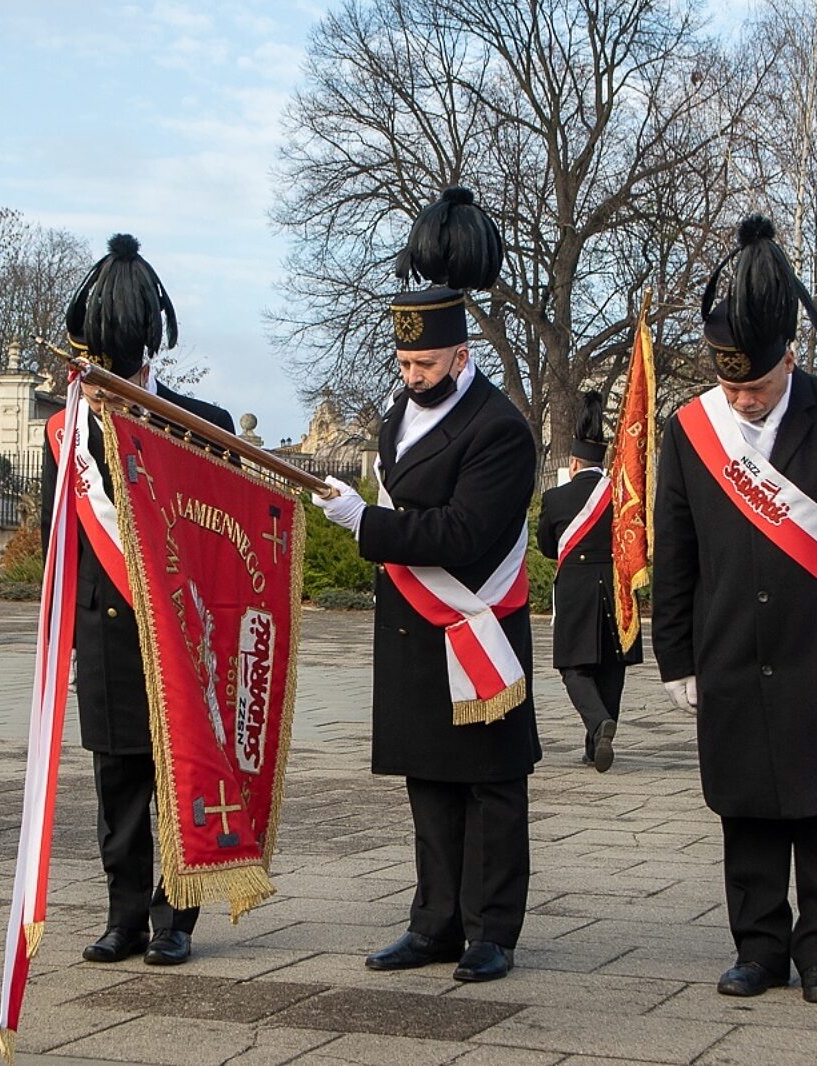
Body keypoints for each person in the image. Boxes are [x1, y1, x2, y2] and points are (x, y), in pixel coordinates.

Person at [315, 188, 538, 983]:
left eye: (426, 366)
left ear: (461, 357)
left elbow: (463, 532)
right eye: (405, 365)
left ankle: (491, 930)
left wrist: (364, 524)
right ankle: (434, 921)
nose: (412, 377)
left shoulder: (499, 428)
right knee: (430, 782)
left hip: (474, 623)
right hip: (414, 625)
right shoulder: (398, 414)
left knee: (489, 785)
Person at [651, 214, 817, 1003]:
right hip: (729, 646)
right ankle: (757, 946)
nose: (742, 400)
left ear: (789, 358)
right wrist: (676, 656)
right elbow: (676, 551)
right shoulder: (692, 431)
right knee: (746, 808)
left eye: (754, 386)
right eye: (730, 386)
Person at [40, 234, 233, 967]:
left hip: (181, 629)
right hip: (105, 627)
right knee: (117, 786)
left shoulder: (200, 423)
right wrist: (62, 639)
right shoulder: (66, 432)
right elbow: (62, 540)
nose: (90, 383)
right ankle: (124, 916)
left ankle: (175, 916)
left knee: (181, 780)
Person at [535, 391, 642, 771]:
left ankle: (598, 724)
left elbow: (547, 546)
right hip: (617, 587)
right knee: (612, 665)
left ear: (574, 463)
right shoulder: (622, 496)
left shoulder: (556, 498)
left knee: (573, 667)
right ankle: (597, 744)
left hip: (576, 588)